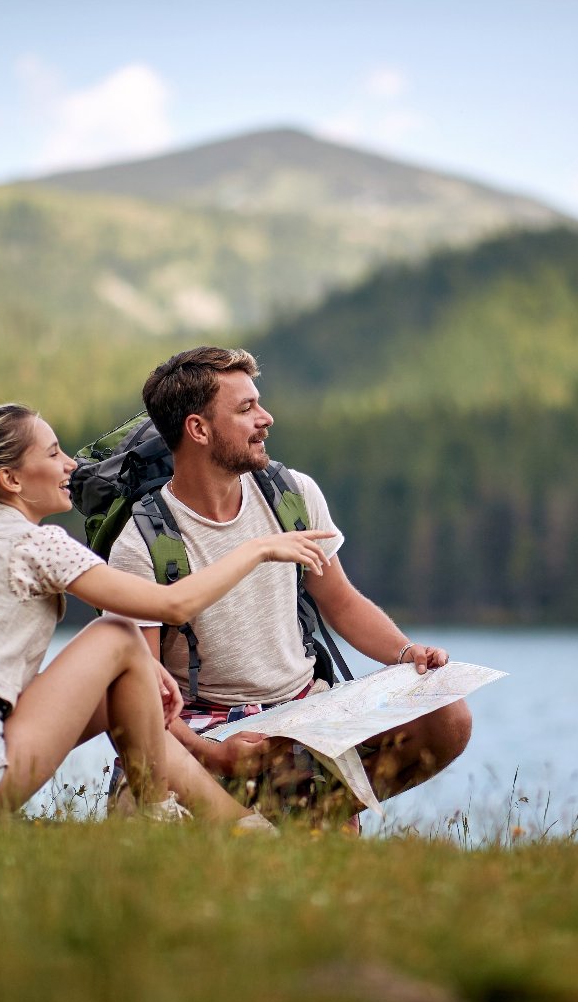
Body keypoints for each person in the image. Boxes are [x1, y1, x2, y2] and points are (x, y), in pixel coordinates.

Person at [0, 402, 334, 824]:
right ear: (11, 480)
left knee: (124, 672)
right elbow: (173, 603)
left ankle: (231, 824)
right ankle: (172, 814)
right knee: (117, 633)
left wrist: (138, 673)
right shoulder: (35, 543)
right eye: (54, 454)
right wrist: (257, 549)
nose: (71, 466)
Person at [107, 347, 472, 822]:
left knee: (449, 717)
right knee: (146, 820)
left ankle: (306, 814)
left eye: (259, 403)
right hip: (203, 727)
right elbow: (138, 695)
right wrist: (213, 754)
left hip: (303, 711)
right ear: (198, 429)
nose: (266, 418)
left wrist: (407, 654)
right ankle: (277, 815)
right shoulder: (143, 543)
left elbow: (340, 602)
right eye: (246, 409)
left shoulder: (292, 494)